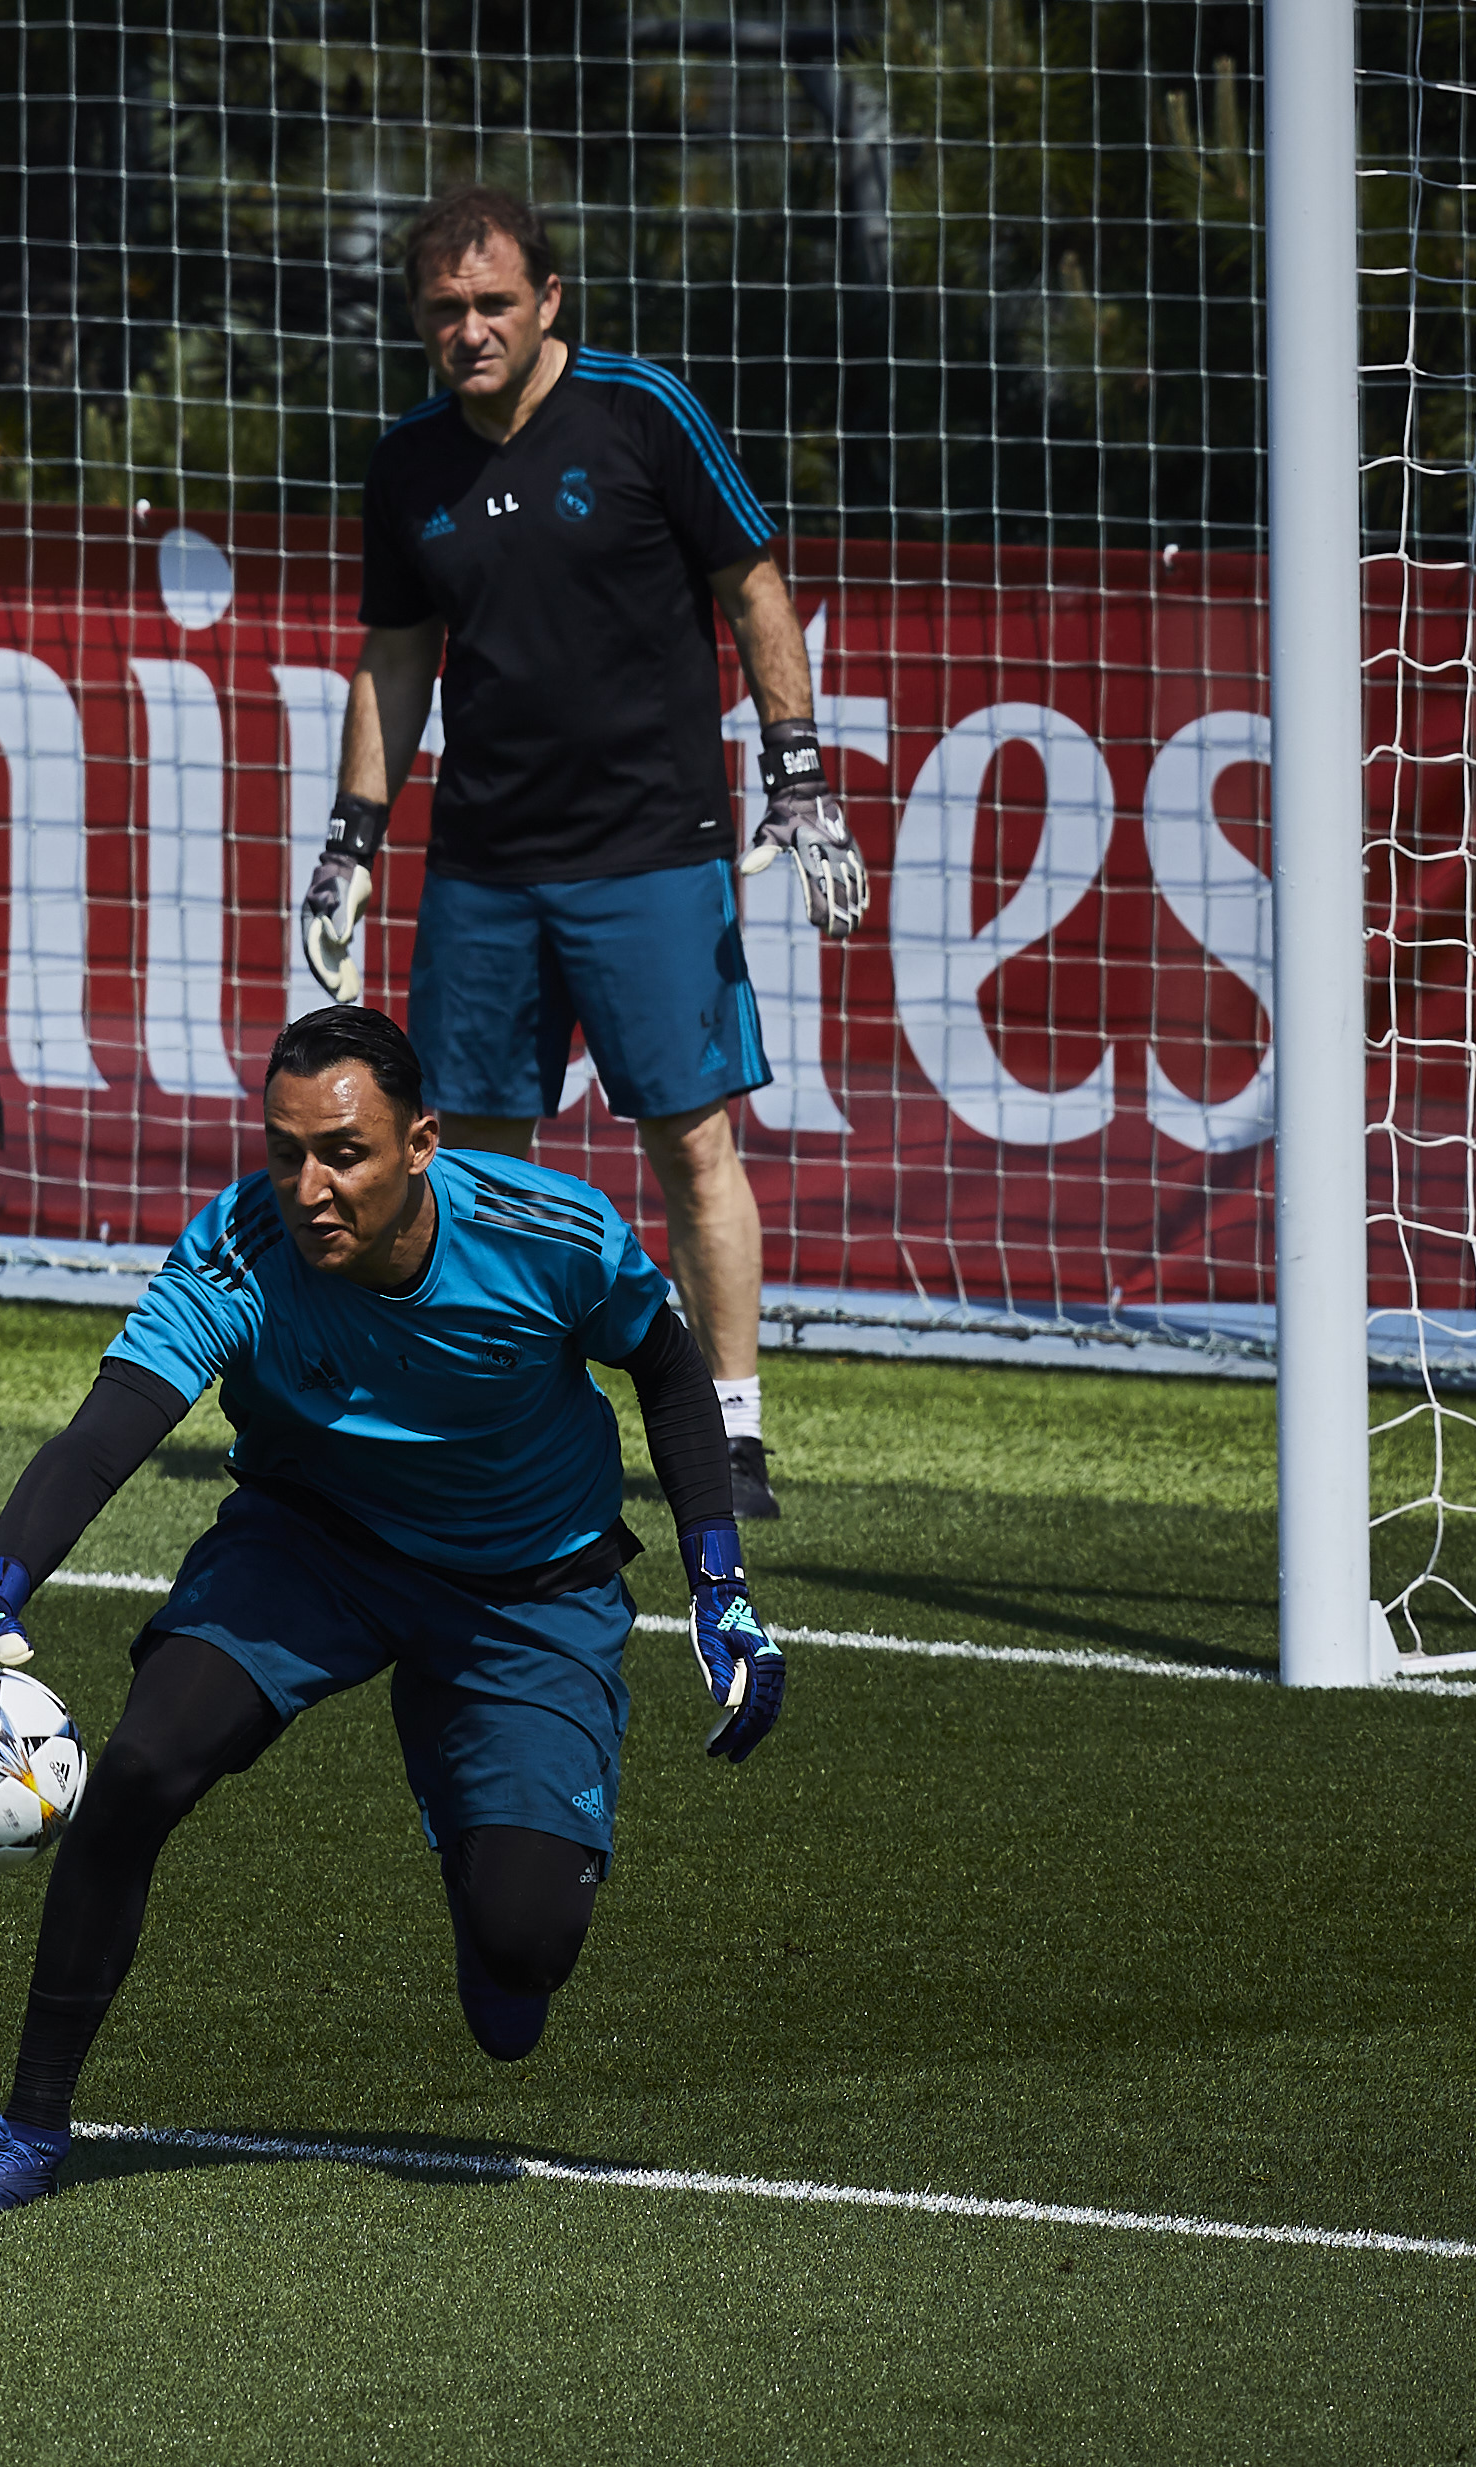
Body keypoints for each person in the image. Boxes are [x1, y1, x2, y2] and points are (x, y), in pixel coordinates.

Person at [0, 1006, 786, 2211]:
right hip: (311, 1548)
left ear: (421, 1142)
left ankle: (471, 1799)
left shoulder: (550, 1230)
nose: (309, 1187)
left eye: (343, 1154)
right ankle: (32, 2126)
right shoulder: (238, 1248)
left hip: (528, 1587)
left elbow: (669, 1372)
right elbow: (109, 1429)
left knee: (521, 1967)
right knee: (138, 1769)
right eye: (283, 1150)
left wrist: (717, 1583)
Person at [301, 182, 869, 1519]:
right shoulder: (407, 464)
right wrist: (351, 840)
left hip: (653, 855)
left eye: (495, 303)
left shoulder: (640, 411)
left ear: (549, 300)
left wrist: (798, 777)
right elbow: (394, 657)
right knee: (481, 1160)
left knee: (692, 1142)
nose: (472, 329)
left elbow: (755, 585)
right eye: (445, 309)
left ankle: (729, 1437)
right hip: (486, 868)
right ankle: (510, 1405)